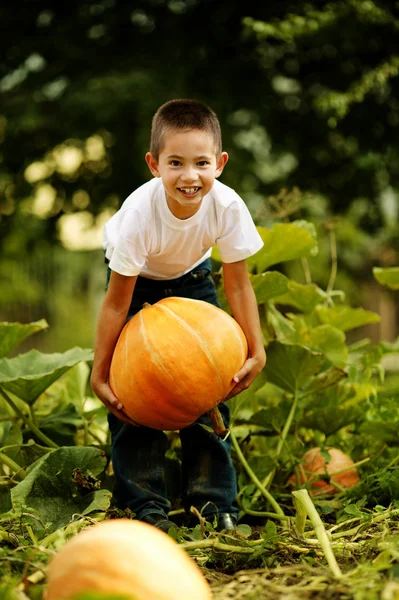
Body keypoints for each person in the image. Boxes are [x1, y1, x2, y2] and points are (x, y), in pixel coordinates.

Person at [90, 98, 266, 533]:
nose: (190, 176)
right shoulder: (138, 217)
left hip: (191, 277)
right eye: (175, 163)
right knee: (135, 404)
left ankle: (215, 507)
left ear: (220, 163)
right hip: (136, 282)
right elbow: (116, 302)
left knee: (210, 391)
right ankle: (144, 510)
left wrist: (256, 349)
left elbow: (239, 284)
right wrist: (101, 372)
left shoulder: (227, 206)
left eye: (201, 162)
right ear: (154, 165)